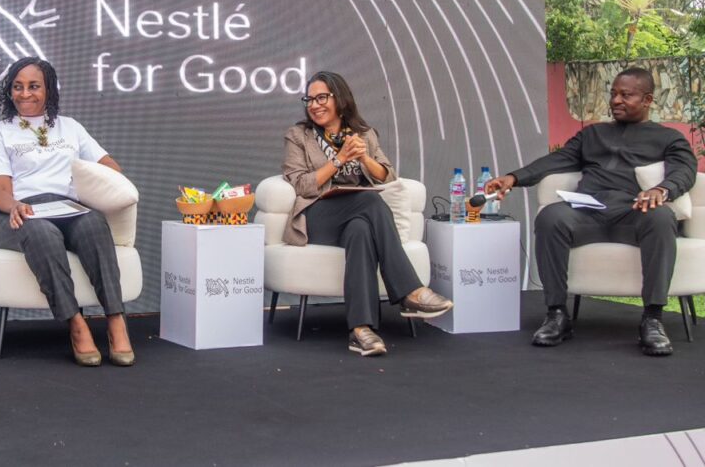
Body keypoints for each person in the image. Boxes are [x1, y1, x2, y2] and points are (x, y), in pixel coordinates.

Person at [485, 67, 697, 356]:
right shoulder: (593, 134)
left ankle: (652, 319)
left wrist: (662, 189)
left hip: (633, 212)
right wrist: (513, 177)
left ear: (647, 100)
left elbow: (685, 170)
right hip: (588, 210)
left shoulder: (669, 138)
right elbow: (557, 160)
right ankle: (557, 314)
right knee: (551, 217)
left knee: (661, 217)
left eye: (626, 95)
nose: (616, 100)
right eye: (613, 94)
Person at [283, 71, 453, 356]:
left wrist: (363, 157)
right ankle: (409, 291)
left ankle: (361, 330)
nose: (314, 105)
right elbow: (301, 184)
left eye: (321, 98)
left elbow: (388, 176)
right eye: (309, 99)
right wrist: (339, 160)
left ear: (340, 99)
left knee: (361, 230)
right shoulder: (299, 136)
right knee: (370, 202)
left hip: (356, 215)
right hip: (318, 215)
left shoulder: (364, 134)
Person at [0, 57, 133, 367]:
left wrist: (96, 186)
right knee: (42, 233)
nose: (25, 94)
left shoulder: (70, 127)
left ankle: (116, 322)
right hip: (20, 212)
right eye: (17, 87)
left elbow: (109, 167)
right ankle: (76, 324)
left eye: (34, 86)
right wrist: (15, 206)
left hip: (68, 207)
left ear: (49, 89)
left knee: (94, 225)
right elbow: (0, 191)